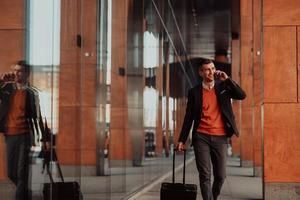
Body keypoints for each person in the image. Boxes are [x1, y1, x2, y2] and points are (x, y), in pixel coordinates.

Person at [177, 59, 246, 200]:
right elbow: (188, 117)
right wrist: (181, 140)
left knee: (221, 176)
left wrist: (227, 80)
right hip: (201, 137)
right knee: (205, 174)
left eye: (213, 68)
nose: (211, 72)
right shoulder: (194, 92)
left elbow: (241, 95)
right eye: (207, 69)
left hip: (220, 137)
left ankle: (213, 197)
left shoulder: (223, 87)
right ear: (201, 72)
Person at [0, 60, 49, 200]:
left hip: (24, 135)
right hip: (10, 135)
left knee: (22, 172)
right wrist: (1, 81)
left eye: (20, 71)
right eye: (15, 70)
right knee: (10, 173)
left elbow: (39, 116)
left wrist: (45, 138)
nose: (16, 73)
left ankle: (21, 196)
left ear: (27, 74)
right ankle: (25, 192)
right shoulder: (6, 89)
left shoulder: (31, 93)